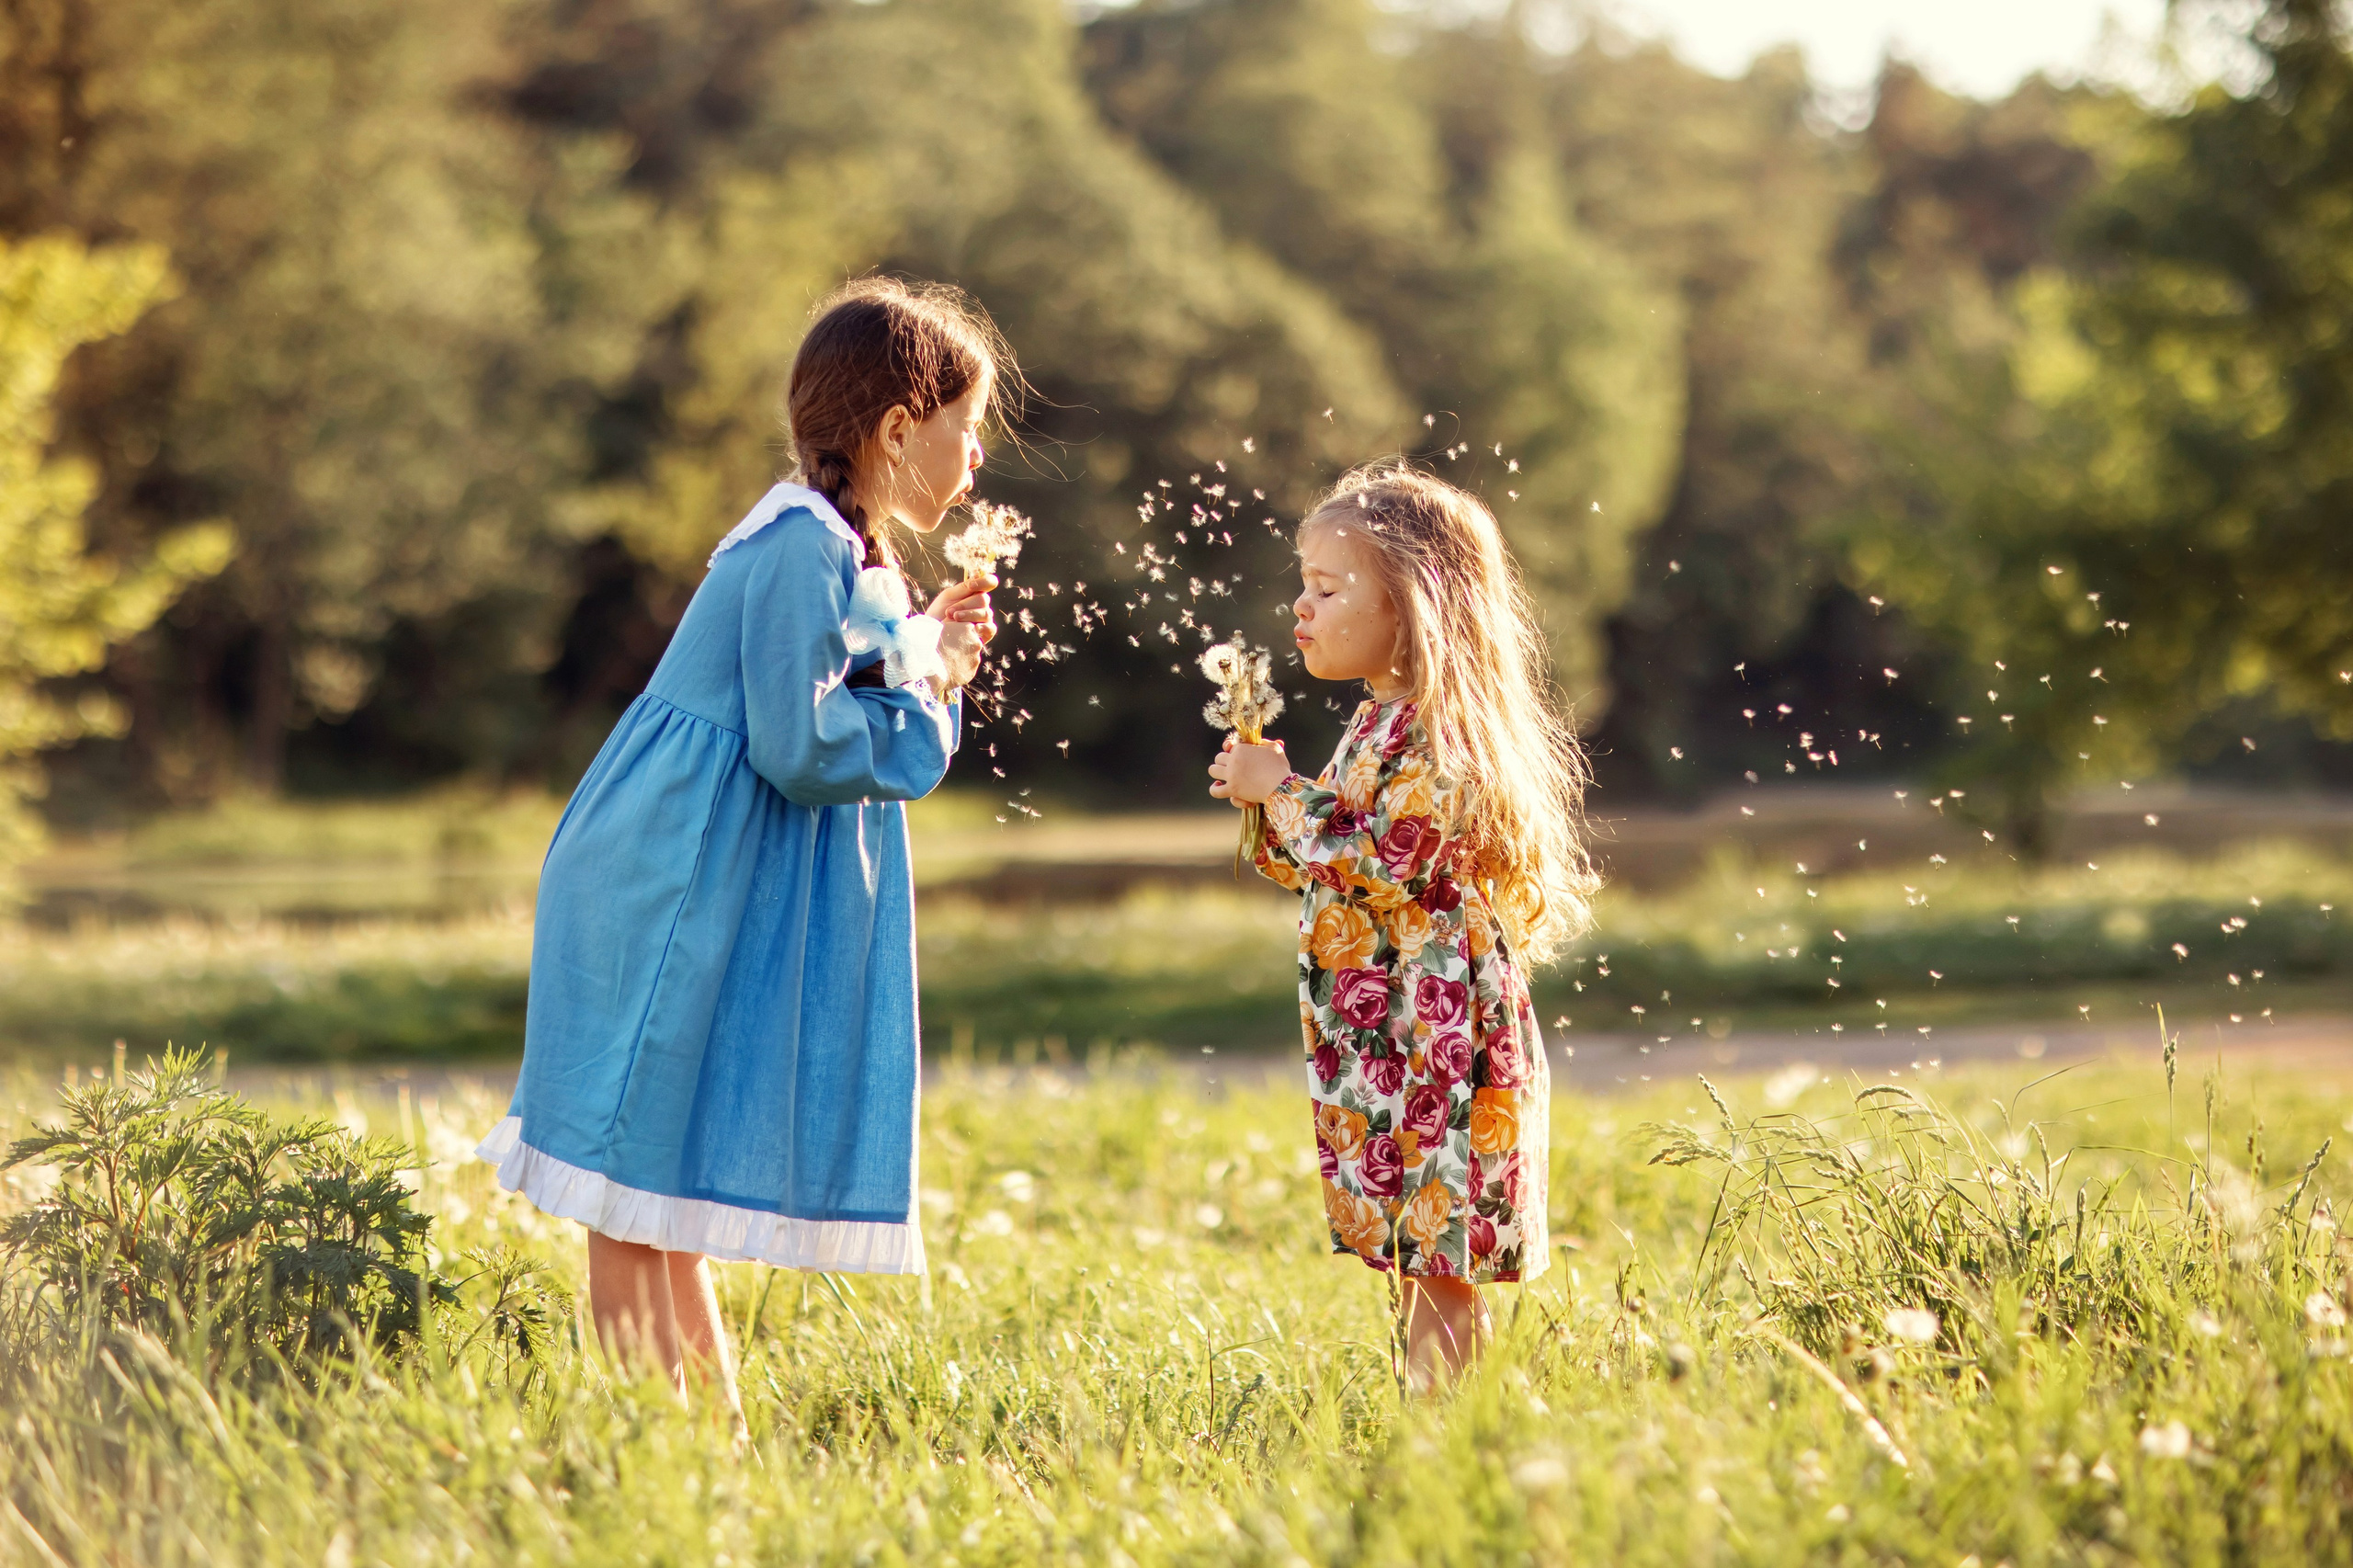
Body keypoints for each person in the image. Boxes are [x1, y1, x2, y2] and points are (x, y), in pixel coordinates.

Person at [478, 278, 1014, 1415]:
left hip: (701, 876)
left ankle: (711, 1458)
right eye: (965, 430)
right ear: (898, 428)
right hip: (662, 879)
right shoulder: (793, 544)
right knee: (628, 1196)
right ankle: (657, 1452)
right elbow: (804, 744)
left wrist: (922, 651)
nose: (974, 461)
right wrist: (928, 691)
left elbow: (832, 678)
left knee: (660, 1196)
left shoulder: (844, 550)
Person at [1206, 462, 1598, 1392]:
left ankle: (1453, 1435)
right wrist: (1265, 803)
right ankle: (1437, 1419)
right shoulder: (1377, 721)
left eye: (1329, 587)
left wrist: (1289, 796)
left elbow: (1390, 864)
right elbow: (1327, 868)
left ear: (1415, 604)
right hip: (1394, 1036)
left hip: (1439, 1041)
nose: (1300, 606)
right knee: (1415, 1248)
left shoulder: (1438, 730)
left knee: (1442, 1260)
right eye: (1302, 584)